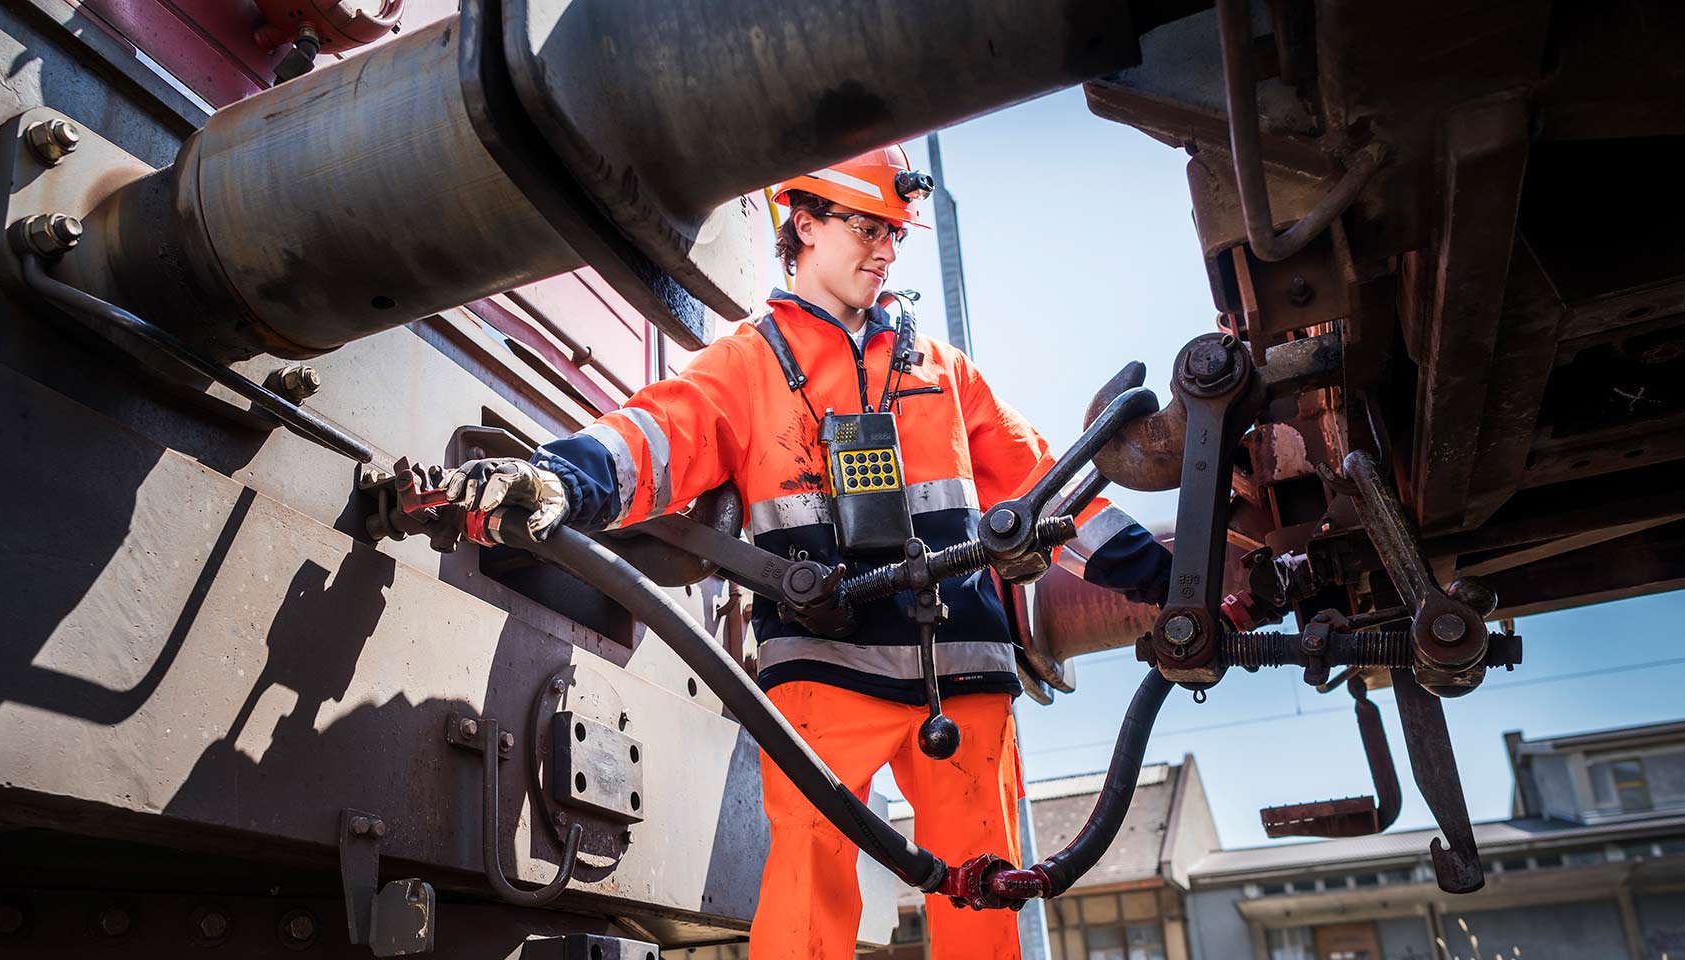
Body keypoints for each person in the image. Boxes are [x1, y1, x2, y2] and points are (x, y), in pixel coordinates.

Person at [445, 145, 1170, 960]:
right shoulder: (748, 365)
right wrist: (558, 481)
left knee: (986, 908)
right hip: (825, 675)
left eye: (895, 233)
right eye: (868, 226)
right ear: (805, 224)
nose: (887, 249)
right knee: (805, 901)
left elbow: (1050, 483)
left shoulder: (944, 371)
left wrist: (1157, 578)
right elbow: (658, 432)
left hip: (961, 674)